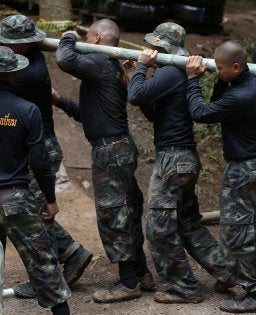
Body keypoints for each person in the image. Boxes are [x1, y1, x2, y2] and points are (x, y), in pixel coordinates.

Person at [185, 40, 256, 313]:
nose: (216, 70)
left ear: (236, 67)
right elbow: (218, 101)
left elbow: (200, 113)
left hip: (242, 170)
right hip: (252, 166)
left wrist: (192, 80)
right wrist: (218, 79)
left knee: (236, 235)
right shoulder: (251, 82)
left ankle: (254, 293)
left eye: (220, 68)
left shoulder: (241, 95)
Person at [124, 22, 232, 304]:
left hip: (173, 160)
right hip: (183, 158)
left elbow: (135, 96)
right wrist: (132, 75)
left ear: (164, 48)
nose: (150, 50)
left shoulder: (171, 70)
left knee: (158, 229)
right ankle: (228, 272)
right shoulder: (172, 73)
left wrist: (141, 67)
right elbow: (152, 113)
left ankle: (184, 287)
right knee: (188, 224)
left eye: (154, 46)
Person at [55, 18, 153, 303]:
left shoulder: (99, 60)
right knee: (129, 210)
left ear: (96, 38)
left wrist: (69, 37)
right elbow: (91, 115)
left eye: (87, 35)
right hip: (118, 146)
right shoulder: (113, 67)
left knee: (114, 215)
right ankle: (142, 272)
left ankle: (128, 282)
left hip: (110, 151)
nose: (85, 38)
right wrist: (59, 101)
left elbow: (64, 58)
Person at [0, 14, 93, 299]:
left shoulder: (22, 74)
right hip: (32, 143)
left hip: (37, 148)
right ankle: (70, 252)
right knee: (31, 210)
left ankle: (49, 278)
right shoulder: (32, 56)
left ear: (25, 45)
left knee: (30, 213)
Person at [0, 46, 72, 315]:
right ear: (14, 73)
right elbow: (40, 162)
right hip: (16, 199)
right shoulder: (27, 110)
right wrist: (50, 200)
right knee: (44, 266)